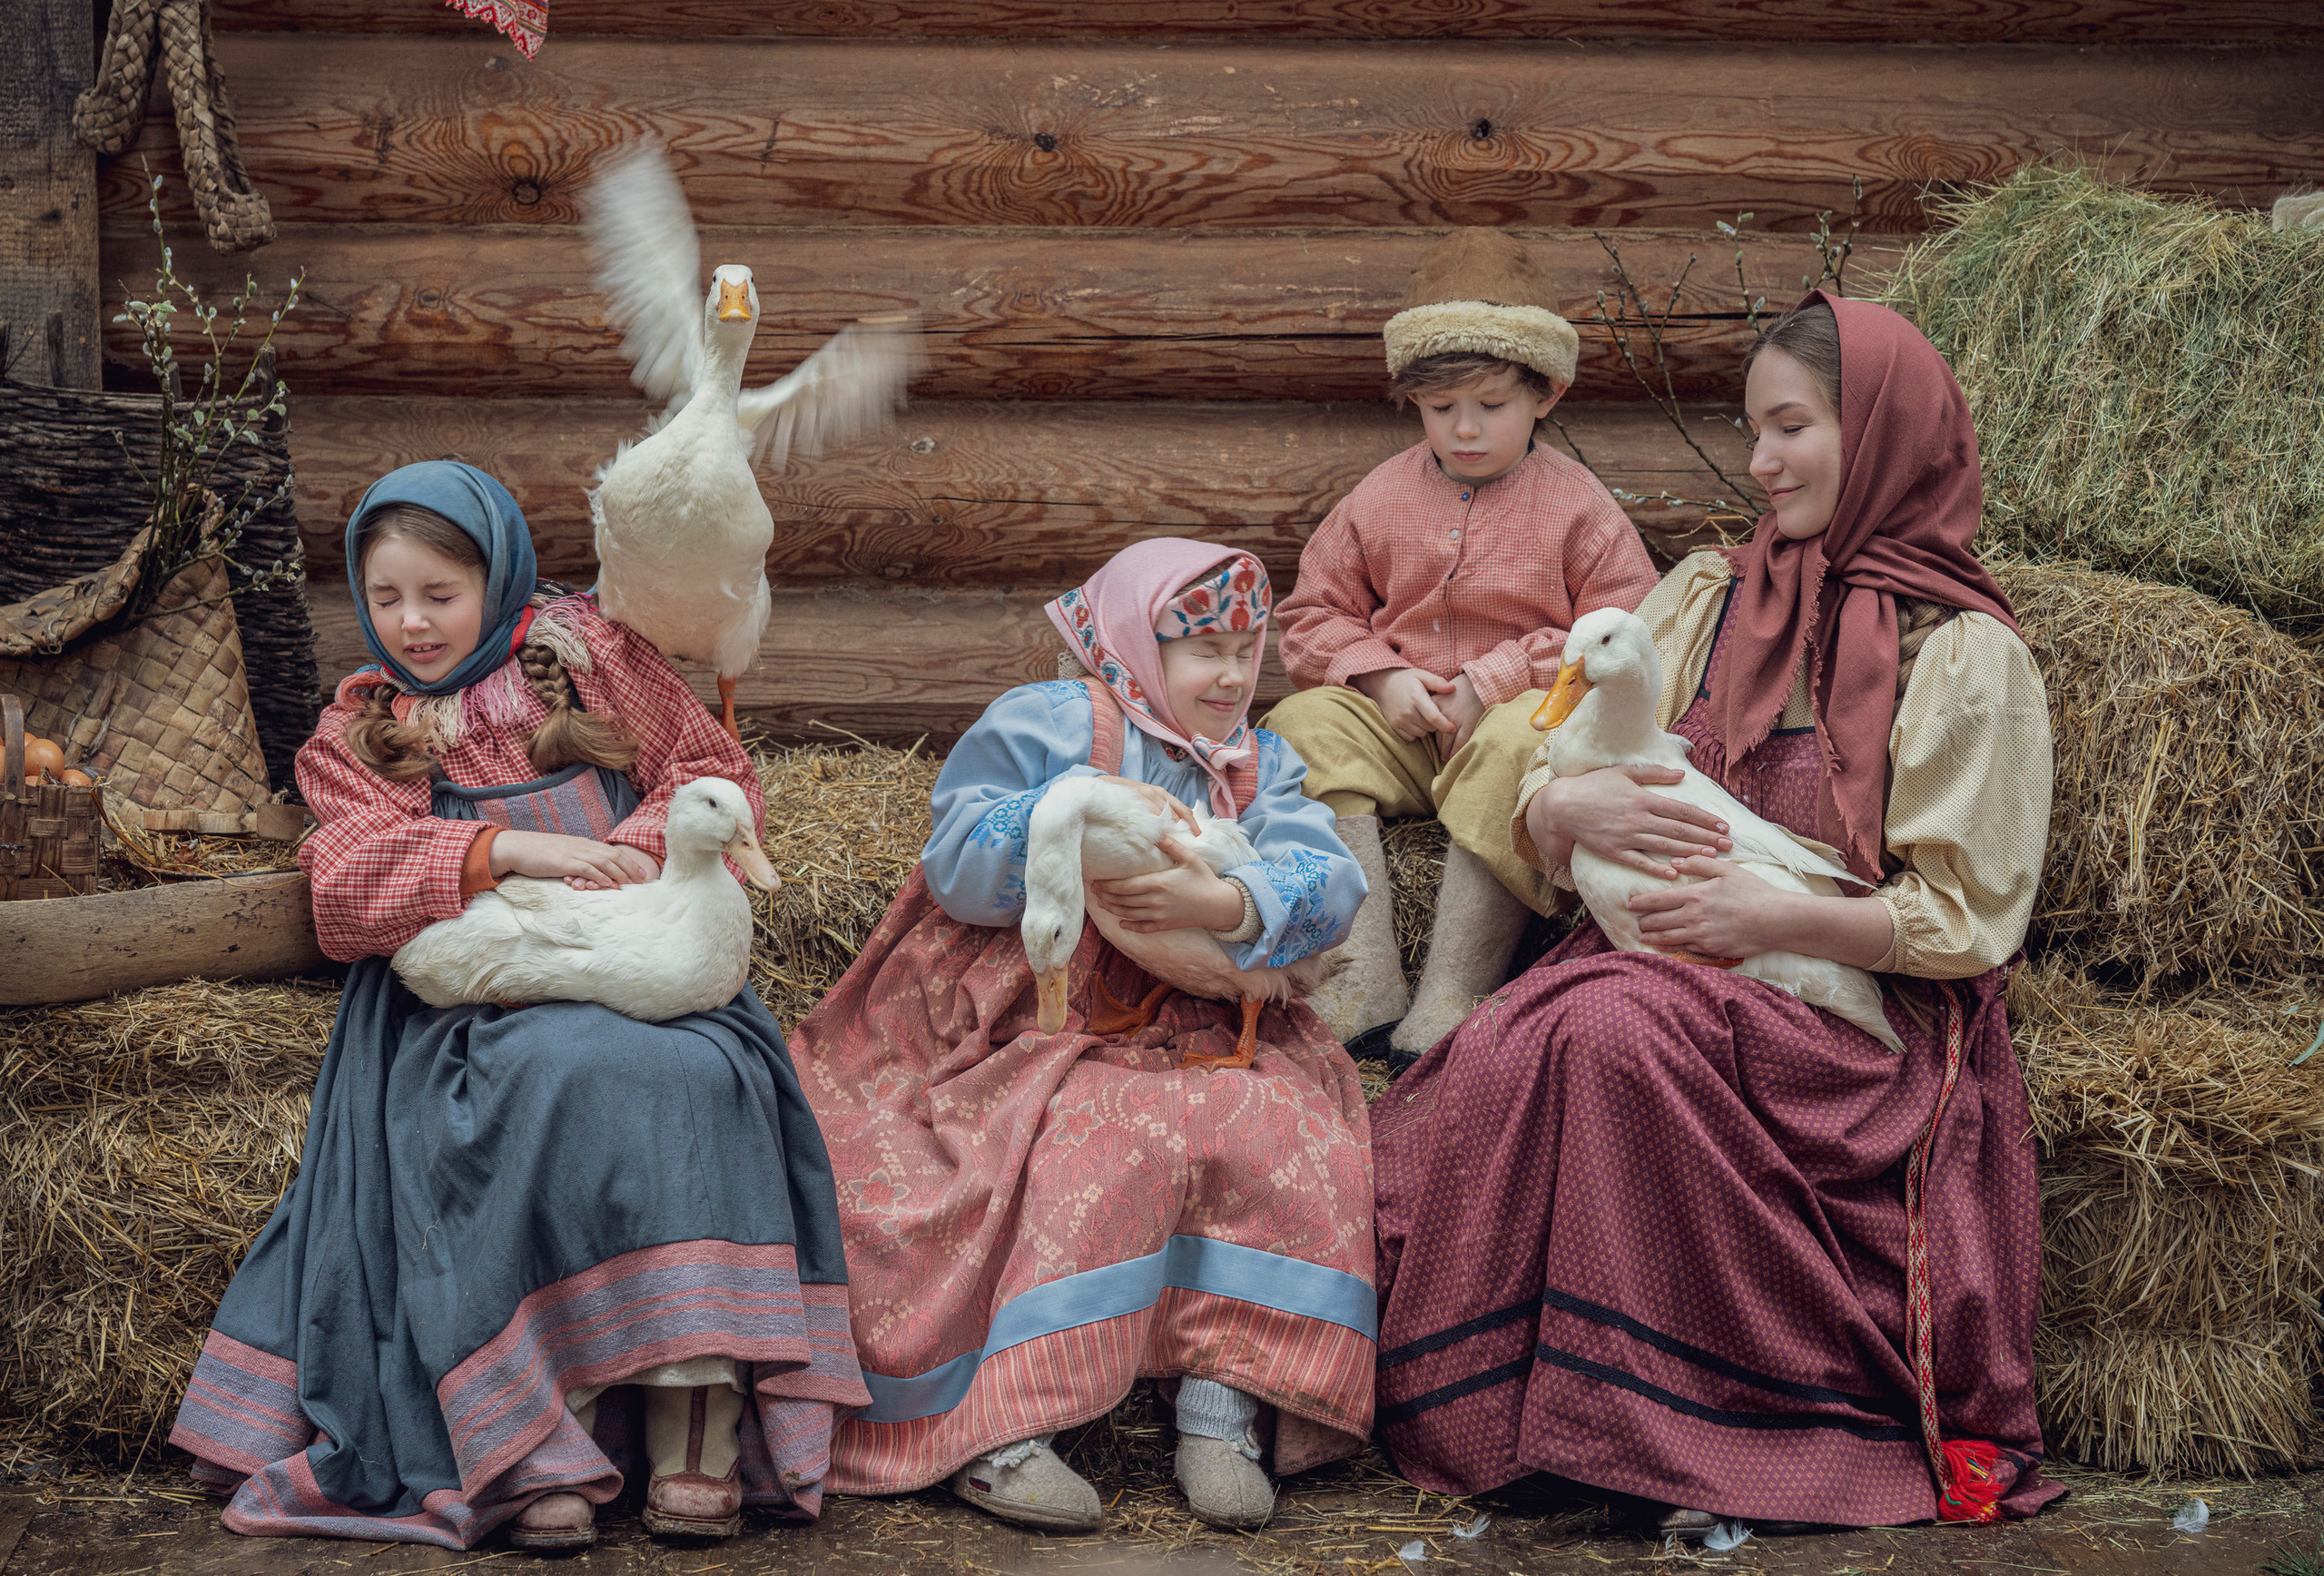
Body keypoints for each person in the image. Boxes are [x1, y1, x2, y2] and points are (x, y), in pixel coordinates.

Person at [1369, 294, 2063, 1532]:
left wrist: (1767, 920)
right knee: (1503, 1055)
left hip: (1860, 1027)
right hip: (1656, 957)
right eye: (1753, 431)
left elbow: (1967, 918)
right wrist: (1566, 820)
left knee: (1613, 1037)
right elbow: (1551, 773)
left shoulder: (1958, 651)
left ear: (1884, 430)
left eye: (1791, 428)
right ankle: (1534, 1420)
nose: (1760, 463)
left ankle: (1694, 1432)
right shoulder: (1700, 599)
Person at [167, 463, 867, 1551]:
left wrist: (642, 868)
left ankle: (700, 1407)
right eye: (386, 595)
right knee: (552, 1075)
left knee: (700, 1072)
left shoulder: (593, 661)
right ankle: (542, 1430)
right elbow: (347, 885)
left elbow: (708, 768)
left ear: (496, 579)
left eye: (439, 594)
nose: (413, 622)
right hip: (480, 996)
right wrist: (510, 850)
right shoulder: (366, 727)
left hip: (639, 955)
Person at [789, 540, 1375, 1535]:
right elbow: (955, 858)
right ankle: (1004, 1421)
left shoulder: (1255, 762)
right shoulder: (1056, 723)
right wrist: (1058, 831)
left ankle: (1220, 1400)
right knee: (1076, 1133)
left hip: (1195, 1015)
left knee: (1276, 1121)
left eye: (1247, 647)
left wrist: (1228, 898)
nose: (1231, 674)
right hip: (1028, 1002)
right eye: (1199, 650)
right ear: (1128, 646)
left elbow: (1332, 878)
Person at [1265, 228, 1659, 1058]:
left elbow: (1633, 630)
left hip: (1512, 730)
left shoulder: (1578, 507)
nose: (1466, 429)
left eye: (1492, 406)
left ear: (1544, 395)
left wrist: (1504, 675)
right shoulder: (1379, 497)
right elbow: (1311, 615)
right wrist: (1376, 678)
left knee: (1523, 740)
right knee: (1302, 725)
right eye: (1443, 410)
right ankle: (1360, 974)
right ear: (1414, 401)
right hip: (1407, 731)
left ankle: (1453, 990)